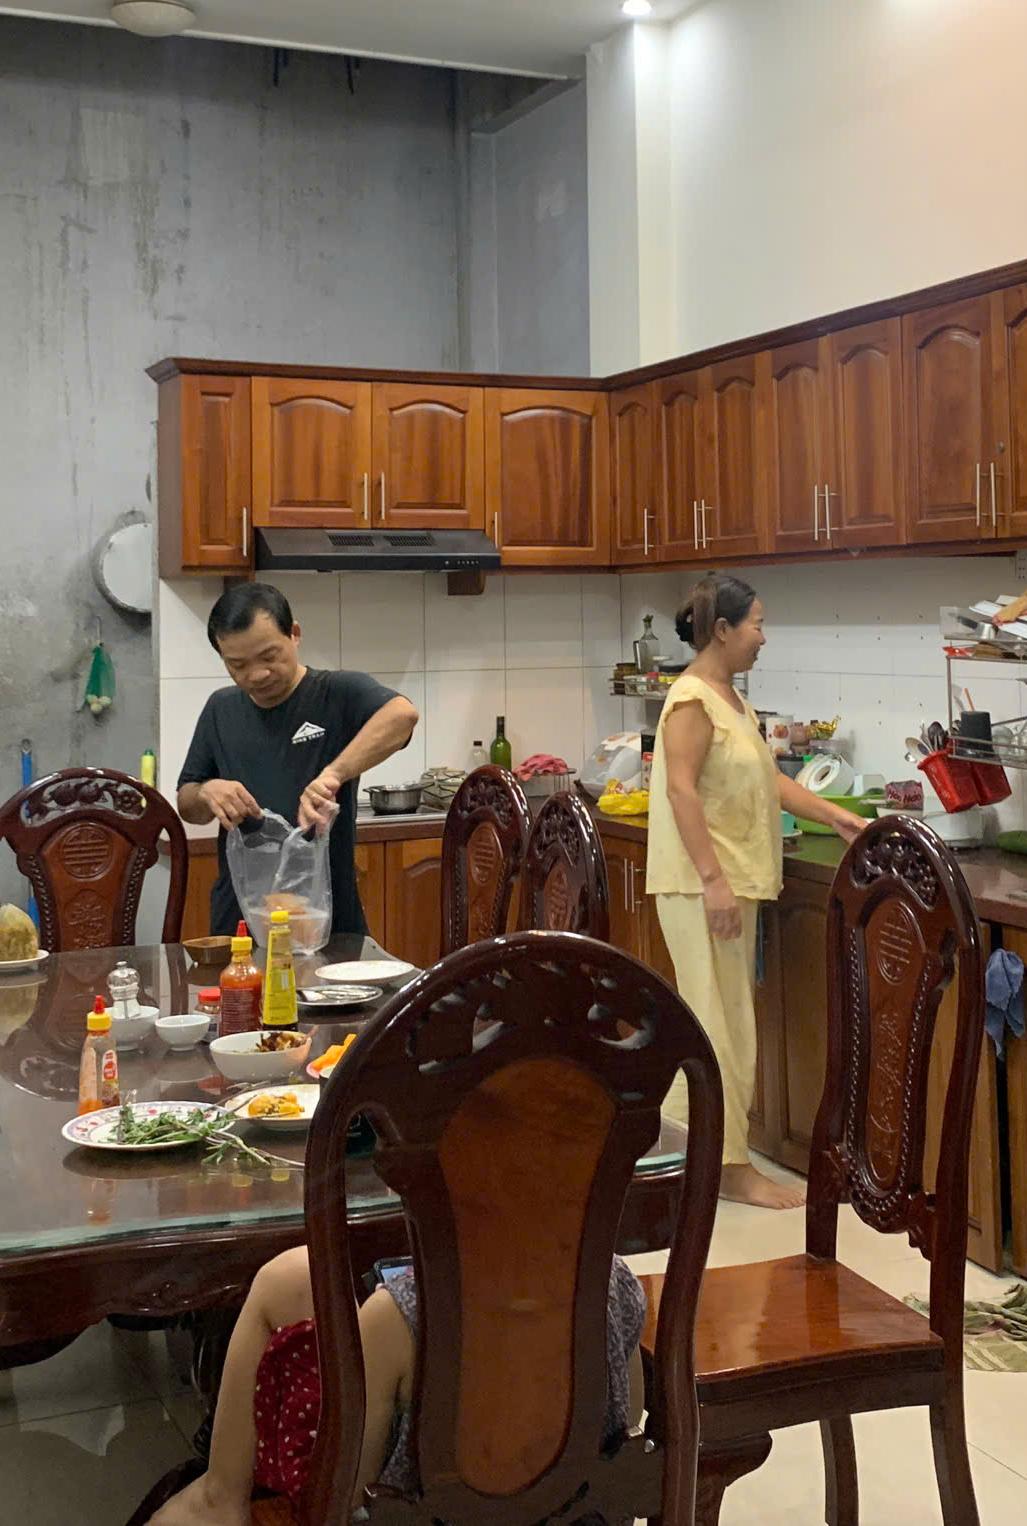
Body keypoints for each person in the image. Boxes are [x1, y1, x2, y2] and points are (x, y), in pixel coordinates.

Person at [147, 1242, 646, 1526]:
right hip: (571, 1508)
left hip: (409, 1507)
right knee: (295, 1276)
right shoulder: (618, 1281)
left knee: (286, 1282)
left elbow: (344, 1501)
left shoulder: (394, 1319)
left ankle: (220, 1498)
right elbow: (626, 1428)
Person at [648, 573, 866, 1209]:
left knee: (719, 1025)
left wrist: (837, 816)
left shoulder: (732, 700)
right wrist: (713, 880)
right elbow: (681, 790)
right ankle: (729, 1168)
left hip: (730, 882)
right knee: (722, 1031)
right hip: (700, 886)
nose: (764, 638)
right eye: (757, 625)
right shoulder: (692, 700)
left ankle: (676, 1158)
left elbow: (770, 779)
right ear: (723, 630)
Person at [175, 582, 420, 939]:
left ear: (295, 634)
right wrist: (207, 791)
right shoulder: (220, 709)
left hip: (326, 918)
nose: (256, 674)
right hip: (241, 920)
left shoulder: (336, 693)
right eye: (237, 665)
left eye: (269, 656)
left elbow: (402, 716)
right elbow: (188, 806)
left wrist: (333, 774)